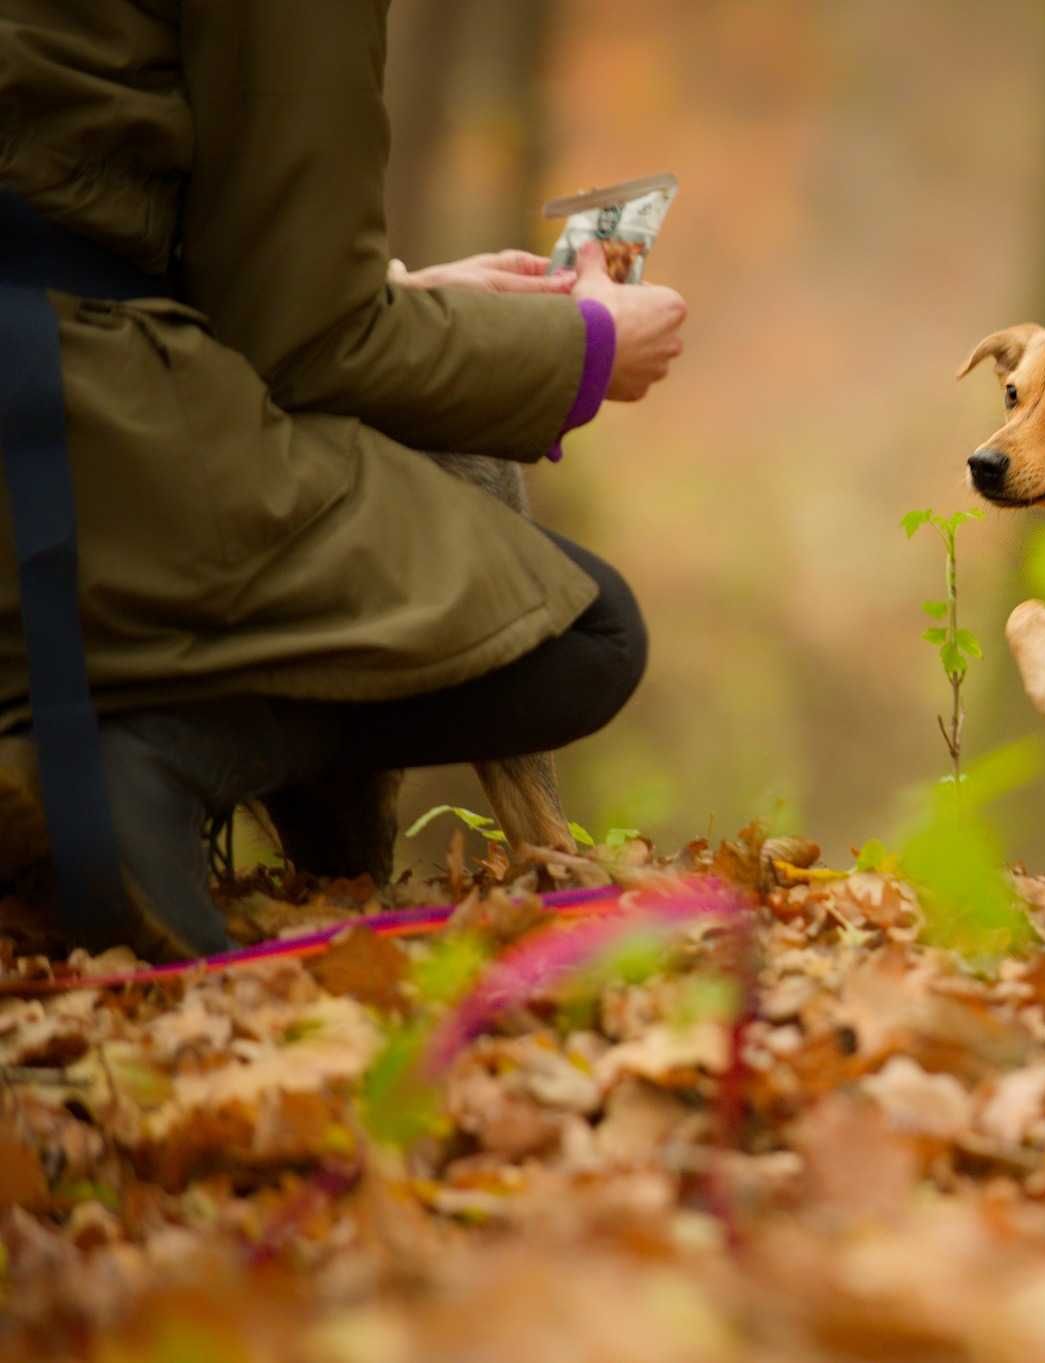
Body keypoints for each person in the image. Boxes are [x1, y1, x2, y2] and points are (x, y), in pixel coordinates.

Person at [0, 3, 689, 959]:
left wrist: (402, 293)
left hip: (63, 370)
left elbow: (120, 211)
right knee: (587, 630)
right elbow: (306, 344)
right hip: (58, 427)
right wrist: (589, 347)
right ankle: (135, 759)